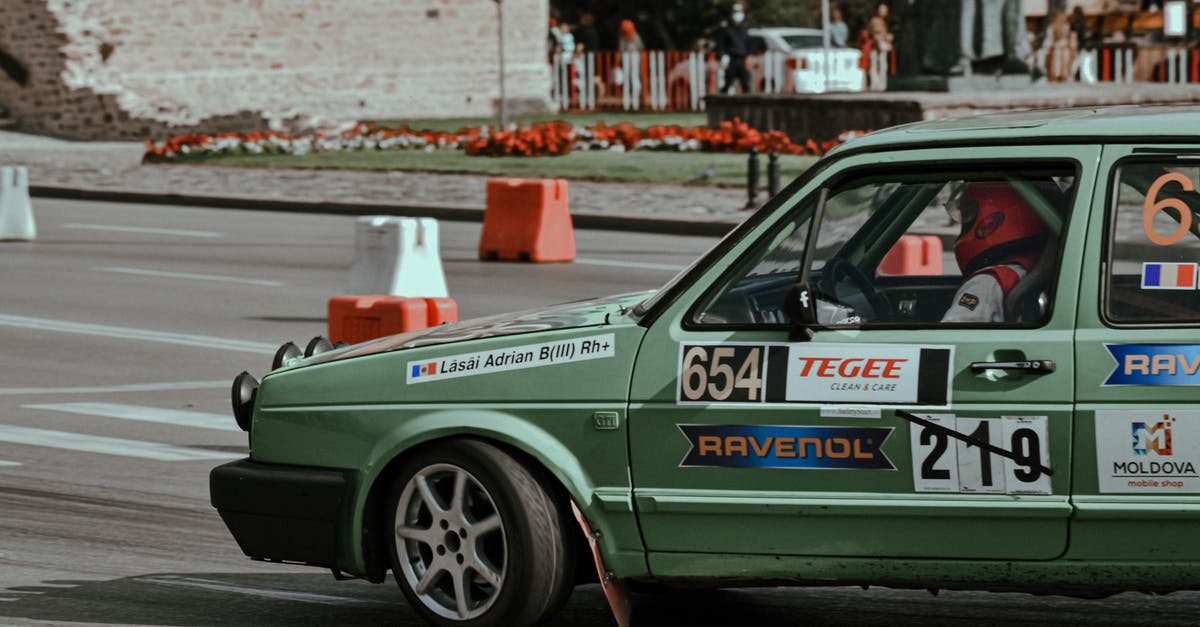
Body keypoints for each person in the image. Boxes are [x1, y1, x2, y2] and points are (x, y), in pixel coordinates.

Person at [942, 182, 1052, 323]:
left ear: (990, 223)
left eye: (968, 219)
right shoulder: (1036, 267)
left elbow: (953, 339)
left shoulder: (985, 284)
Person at [717, 2, 754, 94]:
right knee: (728, 83)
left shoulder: (746, 29)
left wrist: (749, 57)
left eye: (740, 12)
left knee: (745, 84)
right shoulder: (727, 30)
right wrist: (723, 58)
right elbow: (722, 46)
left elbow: (749, 45)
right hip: (731, 59)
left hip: (742, 59)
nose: (738, 14)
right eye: (736, 12)